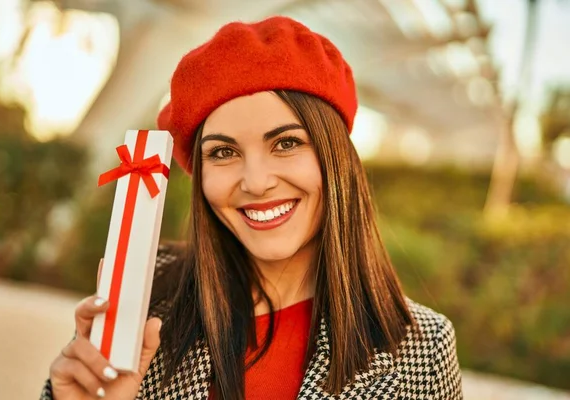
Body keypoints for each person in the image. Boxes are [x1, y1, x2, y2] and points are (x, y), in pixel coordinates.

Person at [40, 16, 463, 400]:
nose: (256, 182)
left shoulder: (422, 349)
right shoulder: (145, 295)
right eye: (223, 152)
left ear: (336, 159)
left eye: (287, 143)